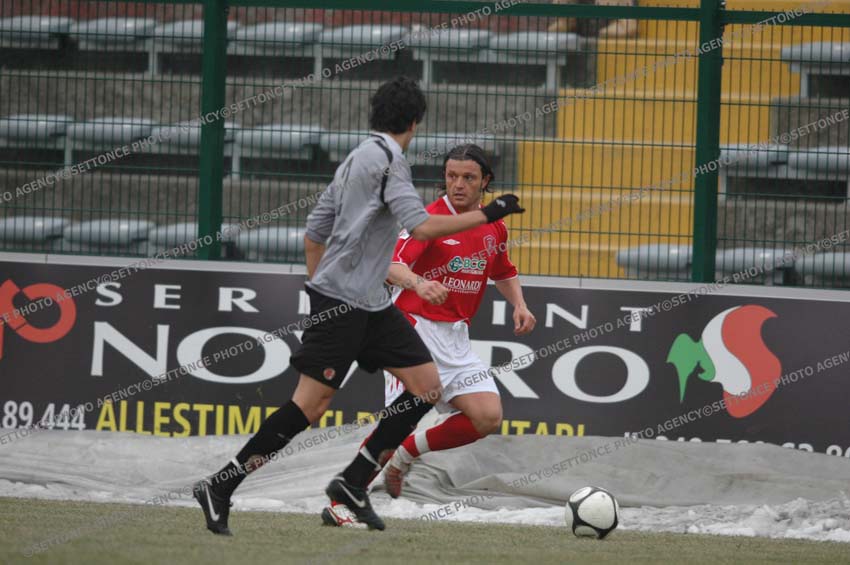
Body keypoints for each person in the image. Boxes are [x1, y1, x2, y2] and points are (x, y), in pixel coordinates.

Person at [192, 77, 525, 534]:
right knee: (309, 408)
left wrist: (318, 284)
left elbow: (315, 231)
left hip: (371, 303)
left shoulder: (357, 157)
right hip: (346, 302)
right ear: (415, 122)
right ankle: (221, 486)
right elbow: (421, 228)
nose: (458, 183)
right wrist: (491, 211)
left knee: (426, 386)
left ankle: (352, 483)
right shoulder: (390, 163)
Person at [322, 144, 536, 527]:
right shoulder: (429, 220)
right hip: (414, 331)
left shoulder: (494, 226)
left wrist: (519, 304)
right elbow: (390, 265)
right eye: (451, 176)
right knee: (396, 422)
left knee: (486, 417)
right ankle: (341, 503)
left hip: (456, 337)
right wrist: (418, 283)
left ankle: (404, 456)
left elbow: (503, 270)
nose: (458, 184)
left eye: (468, 177)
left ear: (485, 181)